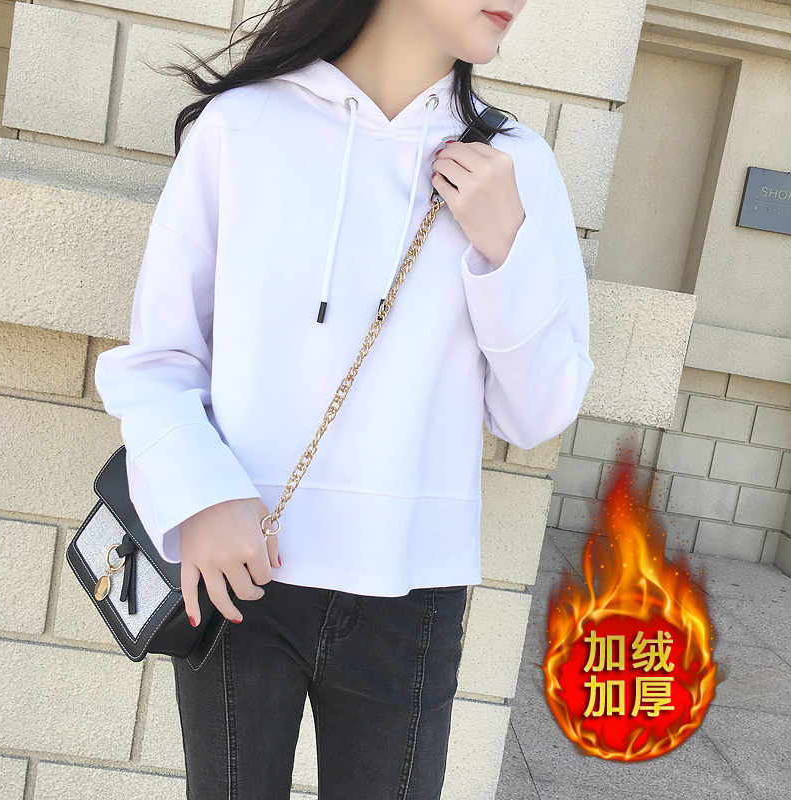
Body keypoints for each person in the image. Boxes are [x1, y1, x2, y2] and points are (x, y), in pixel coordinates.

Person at [93, 0, 594, 797]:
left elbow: (536, 412)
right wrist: (203, 497)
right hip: (240, 571)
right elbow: (160, 358)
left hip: (411, 587)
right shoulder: (243, 126)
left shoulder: (513, 167)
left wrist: (507, 249)